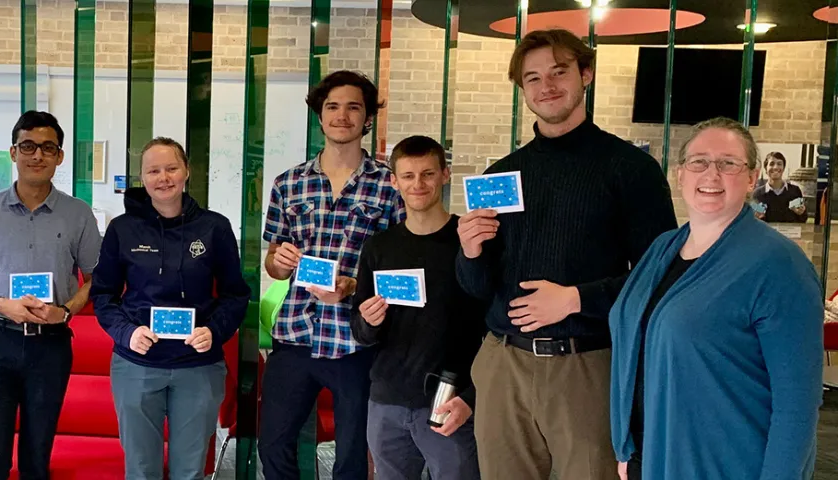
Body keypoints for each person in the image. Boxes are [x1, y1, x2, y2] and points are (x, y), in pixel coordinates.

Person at [455, 29, 677, 480]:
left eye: (559, 72)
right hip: (503, 365)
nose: (547, 86)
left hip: (587, 364)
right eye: (533, 78)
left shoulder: (631, 169)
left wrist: (577, 299)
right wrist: (470, 252)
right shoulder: (501, 174)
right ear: (522, 89)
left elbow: (662, 276)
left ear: (586, 74)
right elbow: (477, 289)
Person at [609, 118, 823, 480]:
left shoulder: (779, 264)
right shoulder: (662, 249)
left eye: (728, 163)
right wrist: (628, 447)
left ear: (752, 178)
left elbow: (797, 401)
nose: (711, 174)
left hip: (726, 464)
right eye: (699, 162)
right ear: (680, 174)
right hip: (655, 456)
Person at [259, 69, 404, 480]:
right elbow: (272, 261)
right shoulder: (289, 183)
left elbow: (401, 266)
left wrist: (354, 286)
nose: (342, 116)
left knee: (353, 454)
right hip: (295, 334)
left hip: (357, 340)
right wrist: (279, 263)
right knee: (273, 445)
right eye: (332, 107)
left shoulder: (389, 186)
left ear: (367, 118)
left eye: (353, 107)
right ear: (320, 116)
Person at [0, 110, 102, 480]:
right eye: (28, 146)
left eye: (48, 148)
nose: (37, 155)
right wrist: (1, 304)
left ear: (59, 156)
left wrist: (65, 311)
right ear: (13, 152)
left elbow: (96, 279)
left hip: (51, 345)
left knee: (37, 460)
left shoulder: (78, 214)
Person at [91, 137, 250, 480]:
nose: (163, 178)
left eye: (171, 168)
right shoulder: (122, 229)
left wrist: (214, 331)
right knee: (141, 469)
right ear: (142, 178)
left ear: (186, 171)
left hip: (198, 366)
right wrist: (127, 333)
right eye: (153, 171)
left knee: (189, 471)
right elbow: (103, 295)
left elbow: (236, 295)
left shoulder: (215, 227)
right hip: (137, 364)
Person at [349, 136, 486, 480]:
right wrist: (369, 321)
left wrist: (471, 397)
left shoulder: (469, 242)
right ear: (394, 181)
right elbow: (361, 332)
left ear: (445, 174)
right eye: (408, 176)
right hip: (387, 402)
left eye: (428, 174)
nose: (418, 184)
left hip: (450, 402)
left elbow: (493, 328)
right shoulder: (379, 247)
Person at [751, 151, 808, 223]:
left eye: (779, 164)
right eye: (771, 164)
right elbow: (753, 222)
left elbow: (803, 220)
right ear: (766, 169)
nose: (775, 167)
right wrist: (756, 217)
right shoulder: (757, 194)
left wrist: (801, 213)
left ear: (783, 168)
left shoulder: (795, 191)